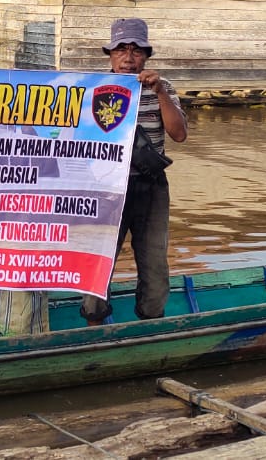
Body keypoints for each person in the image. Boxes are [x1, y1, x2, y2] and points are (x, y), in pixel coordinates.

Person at [81, 17, 188, 324]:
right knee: (98, 261)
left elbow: (179, 134)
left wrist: (160, 93)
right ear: (111, 54)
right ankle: (94, 324)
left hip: (150, 187)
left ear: (146, 55)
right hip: (105, 188)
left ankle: (150, 325)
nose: (128, 58)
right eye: (121, 50)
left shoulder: (162, 87)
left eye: (136, 50)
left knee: (154, 265)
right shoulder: (92, 88)